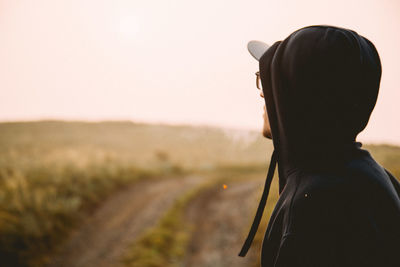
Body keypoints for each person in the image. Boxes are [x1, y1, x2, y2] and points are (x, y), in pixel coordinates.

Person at [238, 25, 400, 267]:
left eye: (275, 81)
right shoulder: (372, 174)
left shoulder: (312, 209)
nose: (264, 95)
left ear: (304, 96)